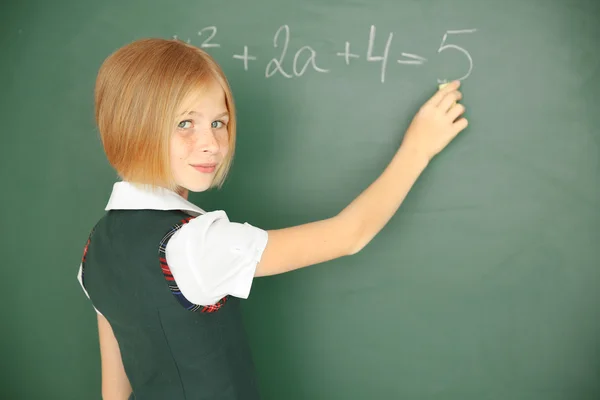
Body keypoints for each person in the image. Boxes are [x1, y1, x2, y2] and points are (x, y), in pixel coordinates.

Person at [77, 37, 468, 400]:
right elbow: (351, 234)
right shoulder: (198, 243)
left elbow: (115, 389)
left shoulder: (94, 249)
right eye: (185, 123)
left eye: (218, 122)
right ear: (133, 127)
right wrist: (418, 147)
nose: (211, 143)